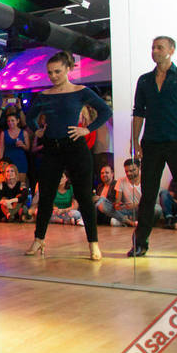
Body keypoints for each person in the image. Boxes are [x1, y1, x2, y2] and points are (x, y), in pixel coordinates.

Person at [23, 51, 112, 260]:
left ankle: (93, 243)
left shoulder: (81, 91)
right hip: (51, 148)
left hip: (75, 146)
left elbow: (105, 111)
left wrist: (87, 129)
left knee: (84, 196)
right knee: (46, 196)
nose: (53, 76)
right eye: (50, 72)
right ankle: (39, 239)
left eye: (57, 71)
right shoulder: (44, 95)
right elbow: (30, 117)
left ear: (68, 69)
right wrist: (37, 130)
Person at [129, 36, 177, 261]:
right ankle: (140, 243)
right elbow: (138, 112)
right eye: (153, 47)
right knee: (148, 195)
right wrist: (135, 142)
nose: (155, 51)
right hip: (151, 143)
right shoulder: (144, 80)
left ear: (171, 50)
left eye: (159, 47)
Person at [0, 113, 29, 183]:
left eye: (12, 120)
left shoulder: (24, 133)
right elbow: (1, 148)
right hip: (8, 161)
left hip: (20, 160)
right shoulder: (3, 133)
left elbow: (28, 148)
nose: (10, 123)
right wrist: (0, 162)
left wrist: (22, 145)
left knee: (21, 183)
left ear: (18, 121)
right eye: (8, 121)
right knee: (8, 182)